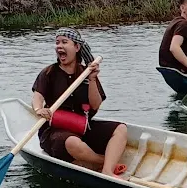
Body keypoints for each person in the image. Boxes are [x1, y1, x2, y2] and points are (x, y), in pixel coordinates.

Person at [31, 29, 128, 175]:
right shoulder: (49, 72)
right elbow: (37, 96)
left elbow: (95, 105)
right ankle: (103, 161)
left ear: (77, 47)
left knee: (121, 129)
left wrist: (92, 79)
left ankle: (107, 170)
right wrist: (39, 109)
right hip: (55, 131)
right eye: (57, 42)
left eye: (64, 42)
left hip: (82, 127)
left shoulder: (86, 73)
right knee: (73, 142)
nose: (59, 46)